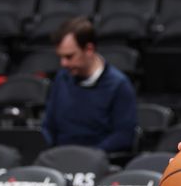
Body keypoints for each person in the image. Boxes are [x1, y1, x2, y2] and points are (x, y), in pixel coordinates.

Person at [42, 17, 137, 153]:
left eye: (69, 57)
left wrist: (90, 156)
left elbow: (123, 136)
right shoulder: (61, 78)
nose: (63, 63)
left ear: (89, 49)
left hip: (98, 162)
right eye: (61, 57)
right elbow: (48, 126)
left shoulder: (119, 85)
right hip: (59, 158)